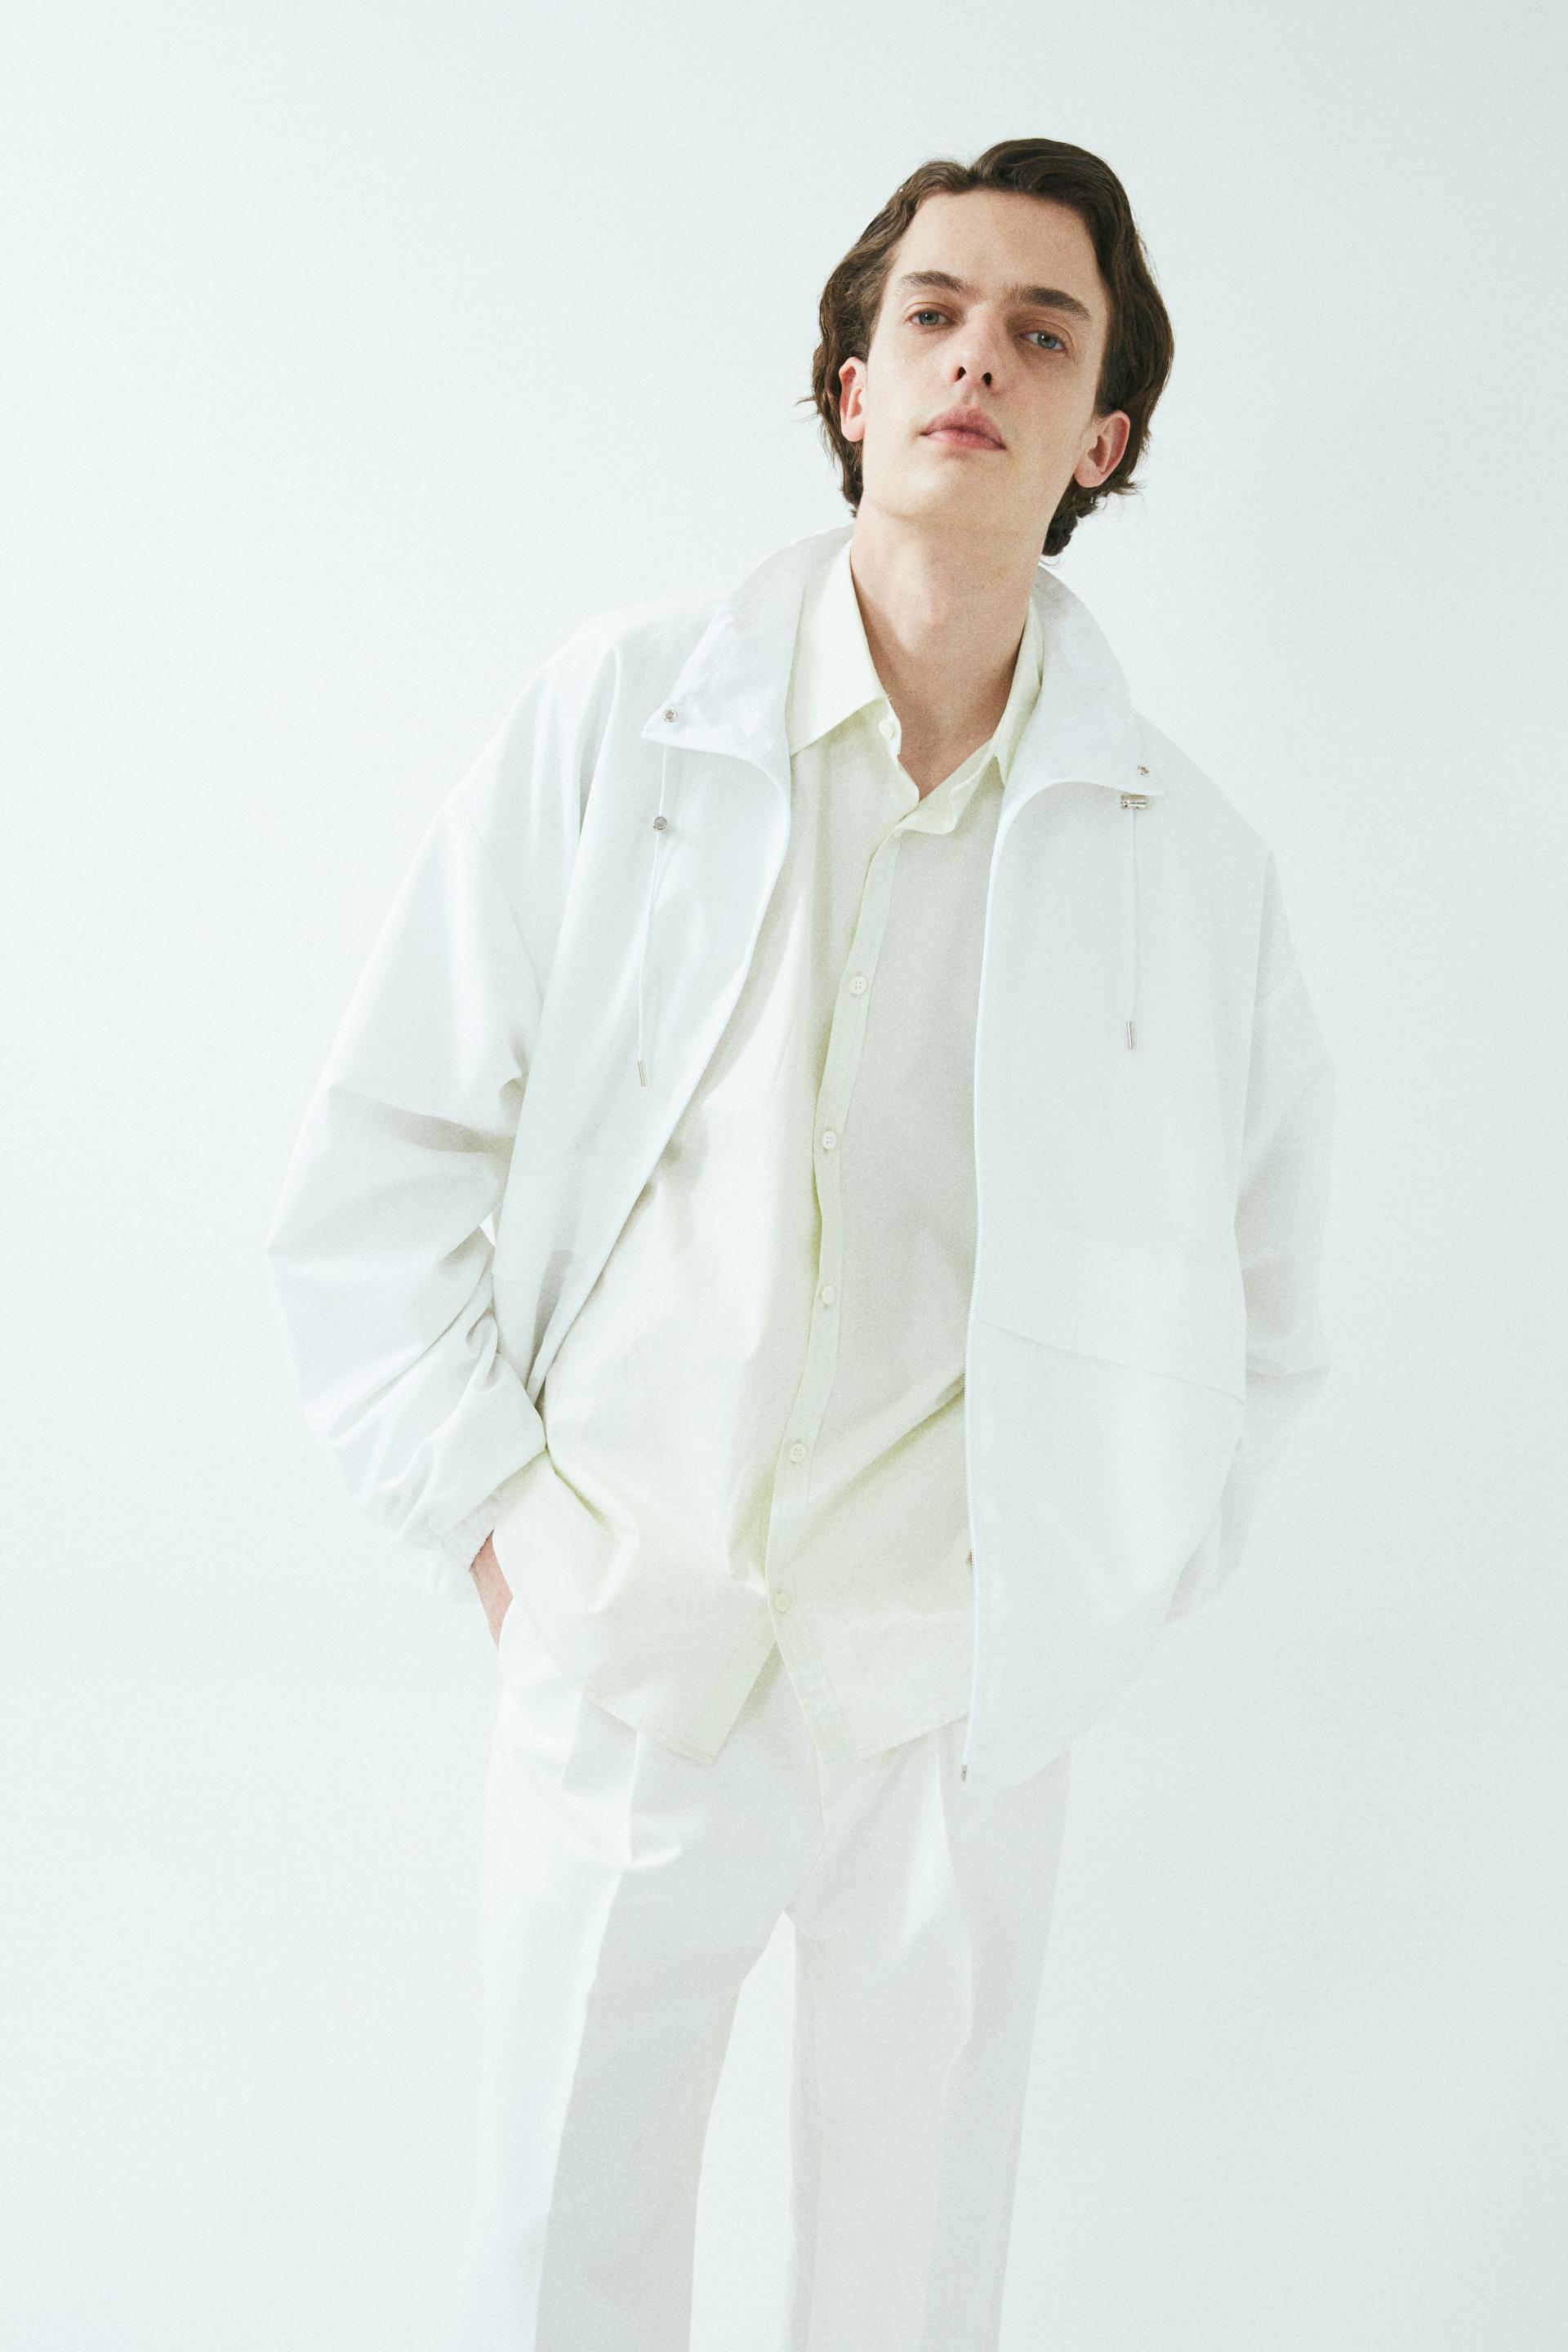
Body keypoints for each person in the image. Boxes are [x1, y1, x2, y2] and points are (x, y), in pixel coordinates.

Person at [265, 135, 1334, 2352]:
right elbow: (391, 1141)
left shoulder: (1195, 867)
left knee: (910, 2295)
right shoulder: (625, 718)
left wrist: (1086, 1604)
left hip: (945, 1692)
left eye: (1042, 332)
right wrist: (493, 1520)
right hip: (629, 1636)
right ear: (855, 384)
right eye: (932, 315)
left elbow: (1269, 1301)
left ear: (1104, 435)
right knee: (557, 2272)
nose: (976, 359)